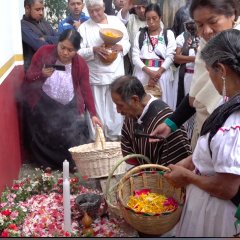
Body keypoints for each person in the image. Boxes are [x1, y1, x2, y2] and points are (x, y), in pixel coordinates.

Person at [164, 29, 240, 237]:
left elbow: (227, 188)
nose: (209, 78)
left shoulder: (234, 121)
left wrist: (187, 176)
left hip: (217, 214)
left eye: (209, 71)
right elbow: (215, 150)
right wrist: (192, 160)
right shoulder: (230, 102)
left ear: (222, 70)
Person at [150, 0, 240, 149]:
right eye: (199, 25)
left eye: (213, 22)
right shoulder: (205, 46)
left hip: (231, 140)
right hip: (205, 131)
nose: (206, 31)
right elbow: (197, 93)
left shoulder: (235, 46)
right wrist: (171, 123)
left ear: (232, 15)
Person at [22, 29, 102, 171]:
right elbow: (29, 76)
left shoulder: (81, 64)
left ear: (76, 50)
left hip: (69, 103)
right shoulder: (44, 52)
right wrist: (41, 74)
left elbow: (85, 90)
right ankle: (46, 163)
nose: (65, 53)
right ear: (57, 44)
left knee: (70, 132)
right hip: (45, 101)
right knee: (45, 133)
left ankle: (70, 164)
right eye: (62, 47)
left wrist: (93, 114)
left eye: (70, 50)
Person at [78, 0, 130, 141]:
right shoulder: (84, 28)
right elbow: (77, 52)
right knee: (96, 111)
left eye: (97, 10)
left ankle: (116, 142)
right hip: (95, 77)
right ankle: (99, 142)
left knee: (116, 111)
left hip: (116, 76)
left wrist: (121, 47)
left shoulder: (116, 22)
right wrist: (93, 50)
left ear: (103, 7)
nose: (94, 14)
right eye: (91, 11)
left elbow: (127, 41)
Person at [110, 75, 192, 166]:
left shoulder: (165, 121)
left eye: (120, 105)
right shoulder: (131, 116)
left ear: (134, 99)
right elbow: (130, 156)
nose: (118, 111)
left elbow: (179, 170)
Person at [132, 3, 177, 110]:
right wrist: (150, 72)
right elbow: (135, 57)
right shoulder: (141, 34)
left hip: (162, 76)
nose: (151, 22)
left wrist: (157, 73)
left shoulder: (168, 34)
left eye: (154, 18)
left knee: (162, 105)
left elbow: (170, 56)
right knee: (142, 105)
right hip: (143, 75)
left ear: (160, 17)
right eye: (148, 19)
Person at [21, 0, 59, 71]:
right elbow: (42, 47)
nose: (41, 13)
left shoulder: (45, 23)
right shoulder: (23, 26)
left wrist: (46, 38)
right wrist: (55, 42)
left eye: (42, 9)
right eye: (37, 9)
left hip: (51, 69)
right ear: (27, 8)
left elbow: (60, 39)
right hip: (35, 72)